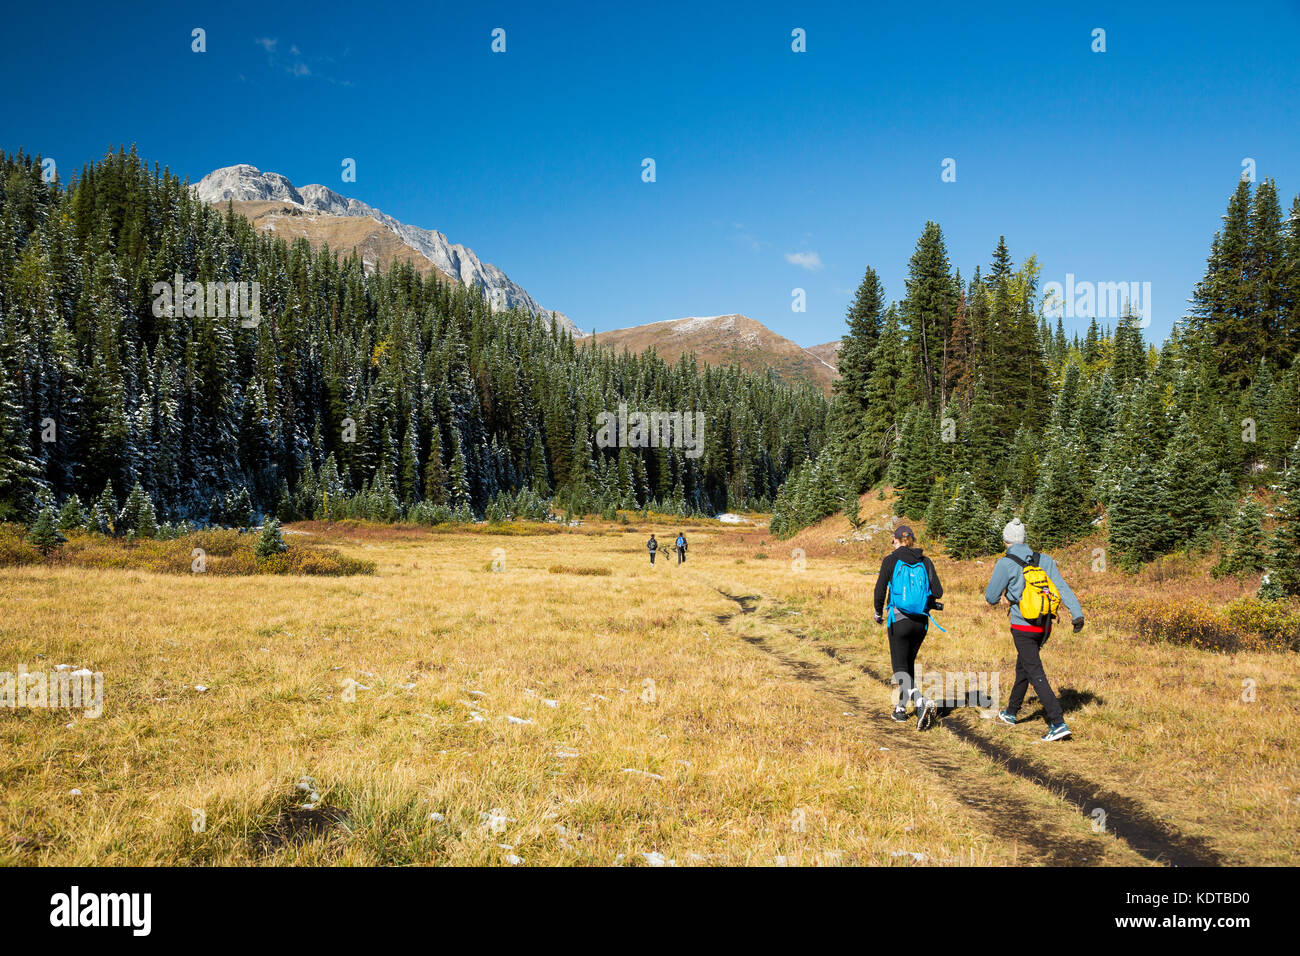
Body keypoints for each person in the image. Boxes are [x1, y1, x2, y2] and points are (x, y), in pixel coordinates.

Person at [984, 517, 1085, 742]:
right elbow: (1061, 587)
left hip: (1022, 626)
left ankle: (1058, 722)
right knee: (1025, 667)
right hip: (1045, 625)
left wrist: (1008, 596)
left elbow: (990, 597)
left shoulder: (1005, 562)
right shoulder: (1045, 560)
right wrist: (1076, 614)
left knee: (1034, 671)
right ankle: (1011, 713)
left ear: (1006, 540)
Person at [873, 525, 944, 730]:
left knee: (899, 667)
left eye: (893, 540)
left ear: (896, 540)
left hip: (899, 619)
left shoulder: (891, 560)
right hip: (921, 622)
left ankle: (920, 701)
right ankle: (901, 709)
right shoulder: (925, 561)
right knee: (908, 664)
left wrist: (878, 612)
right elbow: (937, 591)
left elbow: (879, 590)